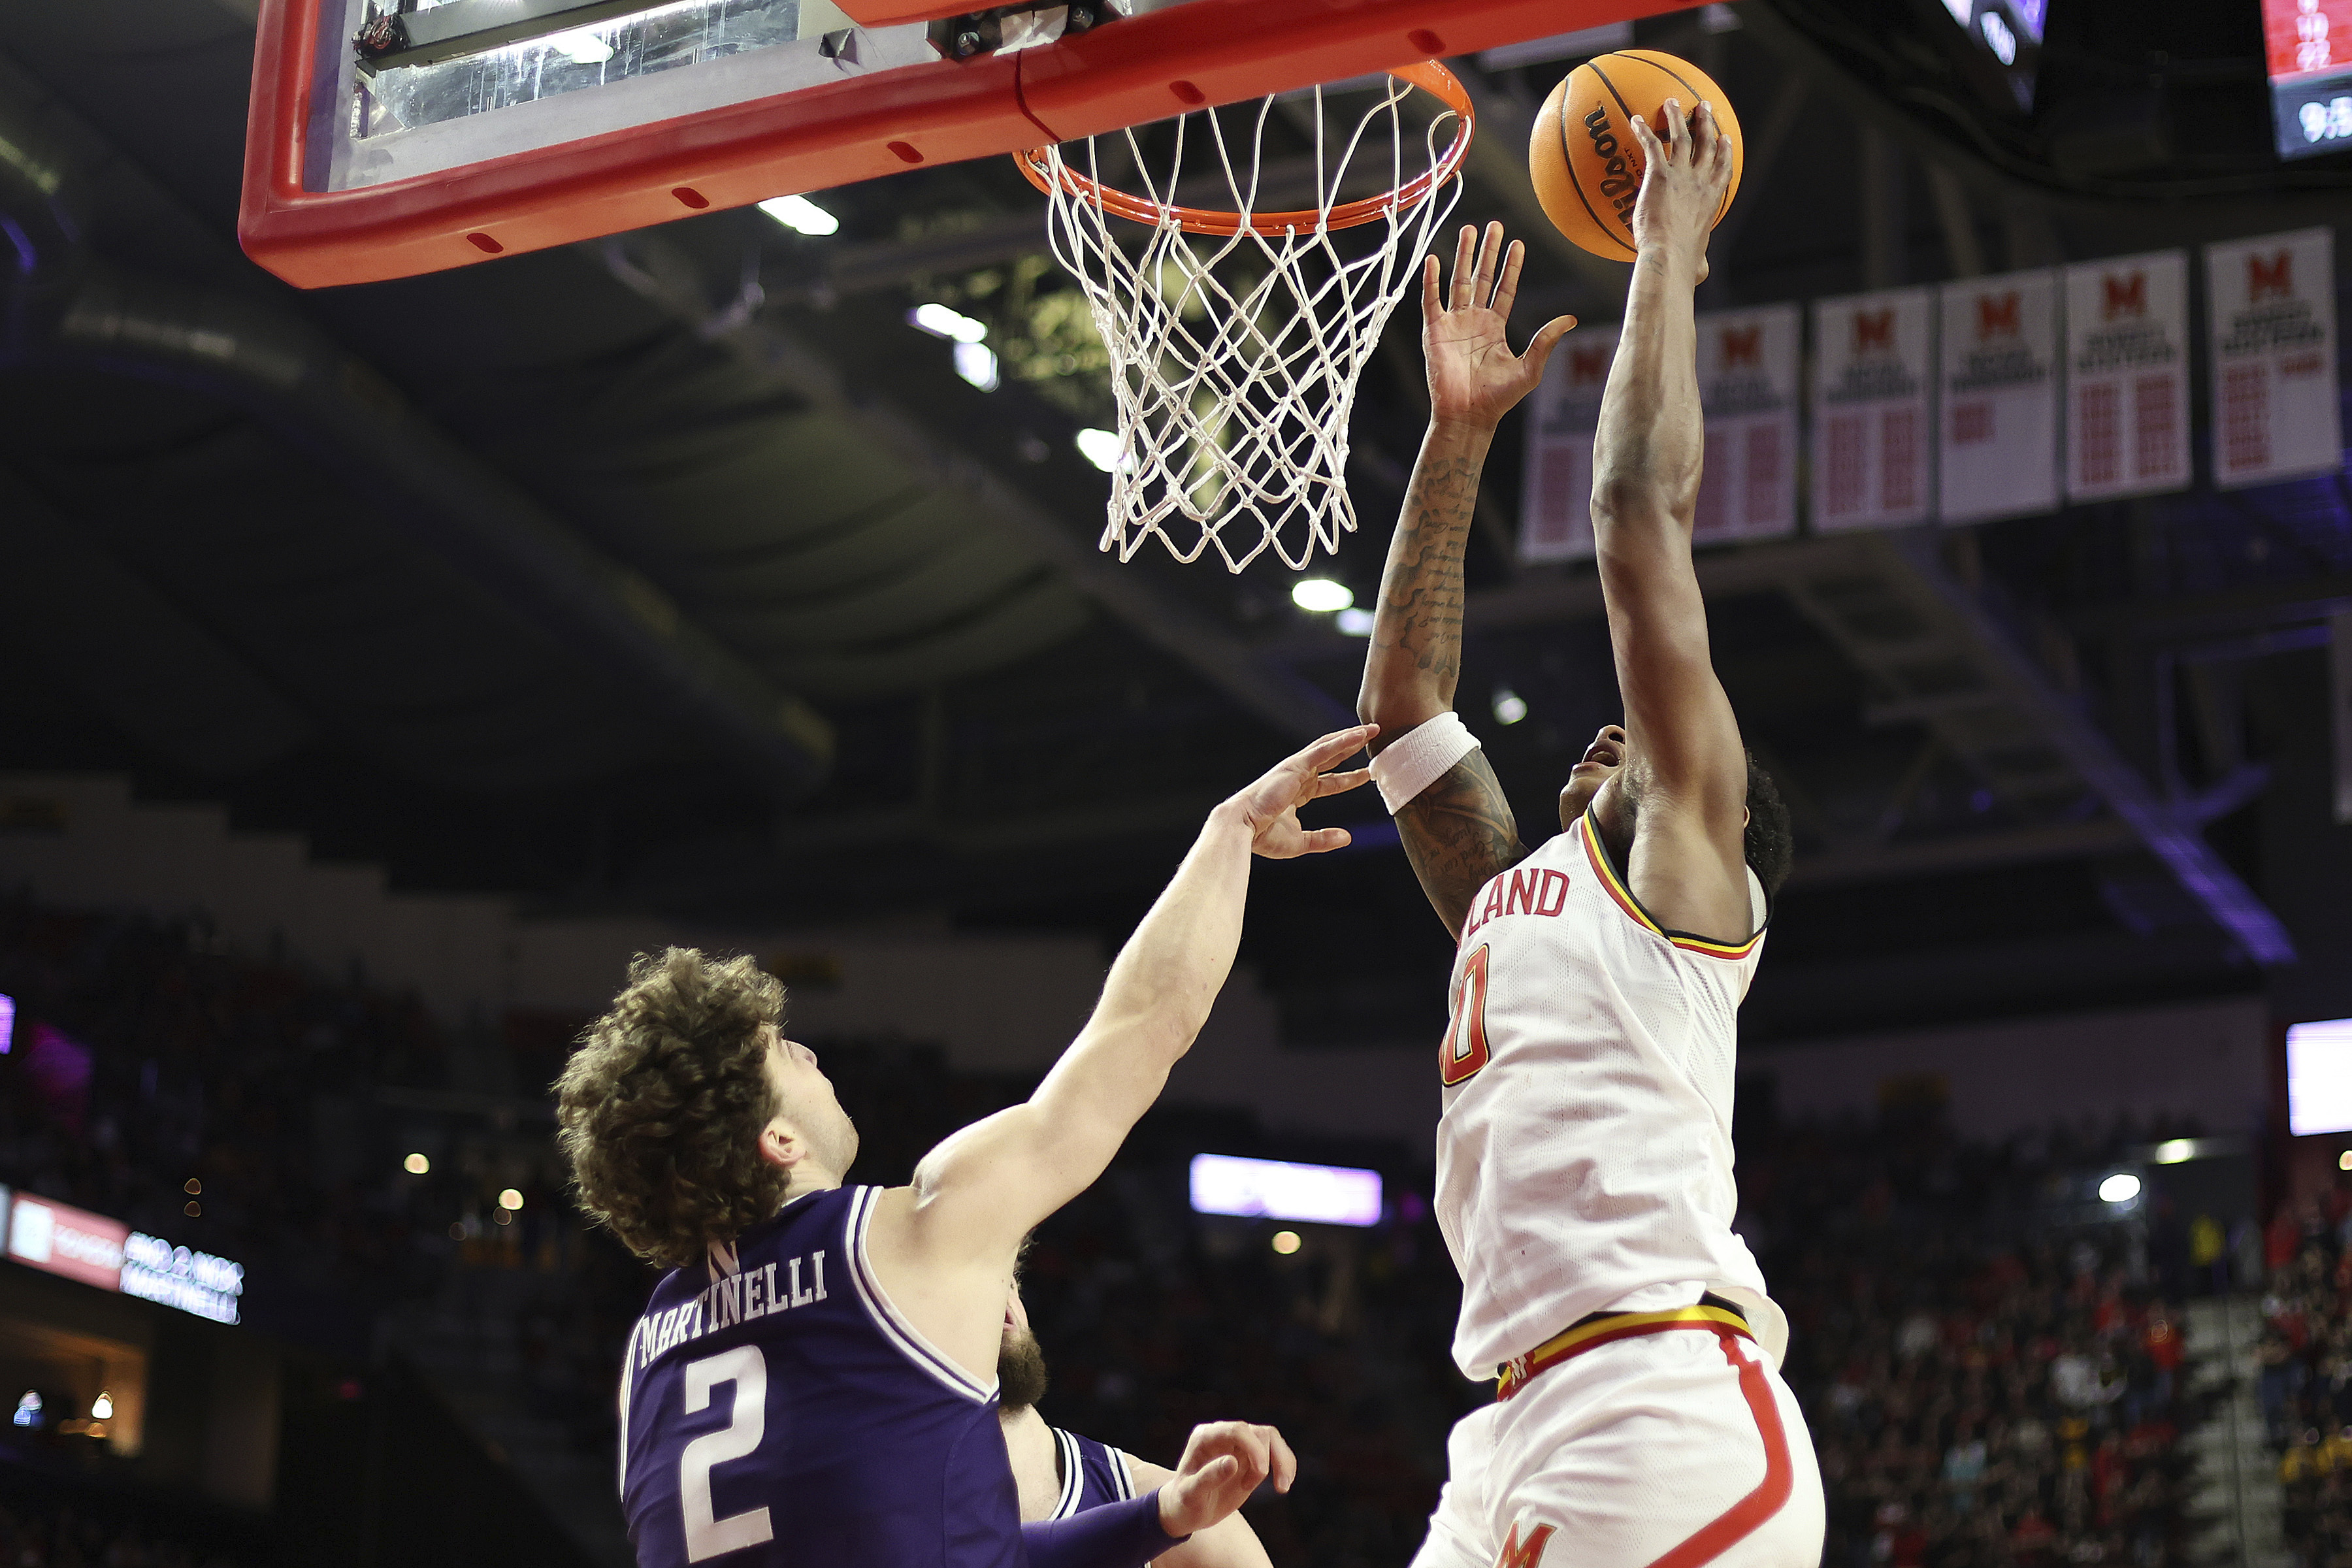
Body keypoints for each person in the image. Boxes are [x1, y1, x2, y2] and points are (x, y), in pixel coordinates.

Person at [1352, 101, 1824, 1568]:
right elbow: (1404, 708)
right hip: (1508, 1420)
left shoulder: (1684, 876)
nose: (1615, 734)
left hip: (1660, 1399)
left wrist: (1666, 257)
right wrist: (1456, 435)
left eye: (1654, 743)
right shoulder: (1515, 890)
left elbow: (1634, 509)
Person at [555, 725, 1376, 1567]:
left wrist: (1160, 1515)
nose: (807, 1053)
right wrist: (1229, 833)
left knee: (1210, 1538)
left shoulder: (650, 1359)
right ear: (777, 1138)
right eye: (782, 1054)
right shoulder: (907, 1236)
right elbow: (1144, 1026)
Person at [998, 1285, 1274, 1568]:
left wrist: (1160, 1516)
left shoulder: (1185, 1518)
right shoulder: (1166, 1514)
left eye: (1009, 1279)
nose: (998, 1293)